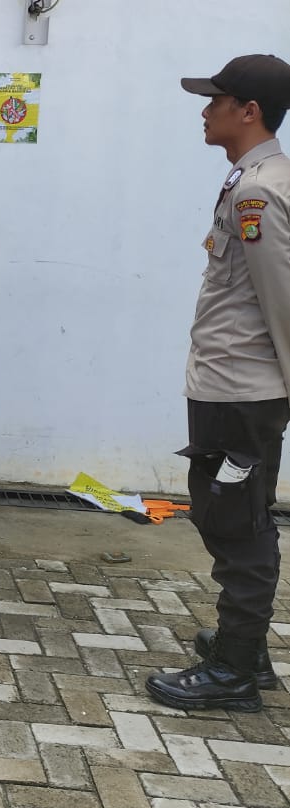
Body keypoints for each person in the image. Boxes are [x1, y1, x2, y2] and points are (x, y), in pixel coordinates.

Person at [147, 54, 290, 713]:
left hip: (242, 387)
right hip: (225, 383)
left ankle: (235, 671)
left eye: (215, 100)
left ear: (248, 111)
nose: (204, 111)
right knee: (222, 511)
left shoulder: (258, 191)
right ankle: (243, 645)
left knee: (239, 522)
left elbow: (279, 296)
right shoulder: (247, 180)